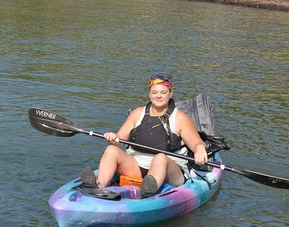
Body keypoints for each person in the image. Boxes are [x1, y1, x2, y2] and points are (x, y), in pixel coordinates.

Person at [80, 74, 208, 198]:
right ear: (149, 93)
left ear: (170, 93)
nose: (158, 96)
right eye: (154, 92)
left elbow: (197, 143)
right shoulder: (137, 113)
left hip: (169, 171)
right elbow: (119, 139)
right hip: (137, 167)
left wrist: (200, 149)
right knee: (111, 150)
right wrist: (113, 138)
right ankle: (98, 185)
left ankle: (147, 194)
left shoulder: (180, 118)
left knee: (160, 157)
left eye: (163, 92)